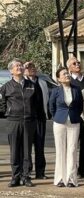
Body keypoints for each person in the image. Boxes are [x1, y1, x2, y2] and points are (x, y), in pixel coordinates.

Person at [0, 58, 41, 187]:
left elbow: (37, 103)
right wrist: (9, 112)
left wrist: (33, 116)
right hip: (13, 121)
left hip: (29, 121)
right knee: (14, 150)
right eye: (16, 66)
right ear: (11, 71)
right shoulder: (6, 87)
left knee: (27, 150)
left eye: (21, 66)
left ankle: (26, 176)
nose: (19, 67)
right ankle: (15, 176)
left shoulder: (31, 85)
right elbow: (2, 104)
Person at [49, 67, 84, 187]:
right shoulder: (55, 91)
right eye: (64, 74)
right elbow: (51, 107)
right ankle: (59, 179)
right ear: (59, 78)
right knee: (60, 150)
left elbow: (80, 106)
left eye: (67, 73)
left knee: (72, 149)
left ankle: (71, 179)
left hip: (74, 121)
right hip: (59, 122)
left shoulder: (77, 90)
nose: (67, 75)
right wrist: (57, 117)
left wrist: (74, 115)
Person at [24, 62, 49, 179]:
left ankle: (40, 172)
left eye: (33, 67)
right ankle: (27, 171)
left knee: (40, 146)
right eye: (29, 68)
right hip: (27, 119)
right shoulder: (23, 82)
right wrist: (24, 67)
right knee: (27, 147)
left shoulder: (42, 82)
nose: (31, 69)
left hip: (40, 118)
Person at [67, 57, 84, 179]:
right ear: (69, 67)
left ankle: (83, 169)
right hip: (73, 118)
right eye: (74, 63)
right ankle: (71, 169)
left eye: (78, 62)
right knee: (72, 146)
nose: (77, 64)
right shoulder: (68, 82)